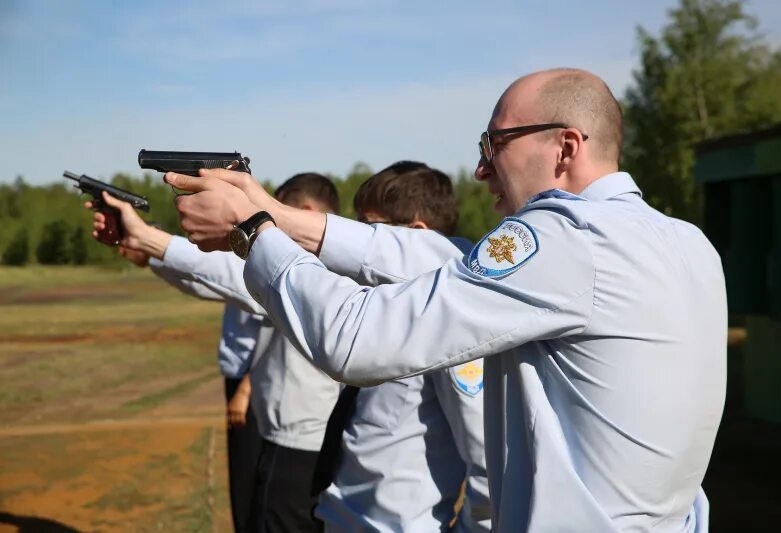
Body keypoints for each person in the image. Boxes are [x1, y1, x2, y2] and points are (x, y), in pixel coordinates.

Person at [166, 67, 726, 532]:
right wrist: (281, 217)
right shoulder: (686, 243)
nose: (483, 168)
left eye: (495, 143)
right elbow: (432, 258)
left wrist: (254, 232)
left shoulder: (567, 241)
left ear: (566, 147)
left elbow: (358, 340)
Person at [91, 173, 342, 533]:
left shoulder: (315, 268)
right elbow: (221, 280)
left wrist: (148, 238)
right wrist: (150, 249)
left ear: (304, 210)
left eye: (276, 209)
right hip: (291, 431)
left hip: (298, 439)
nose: (270, 219)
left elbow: (231, 276)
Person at [312, 161, 490, 532]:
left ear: (417, 234)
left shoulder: (448, 321)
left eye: (370, 230)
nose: (358, 247)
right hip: (339, 516)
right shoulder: (385, 310)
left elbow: (487, 458)